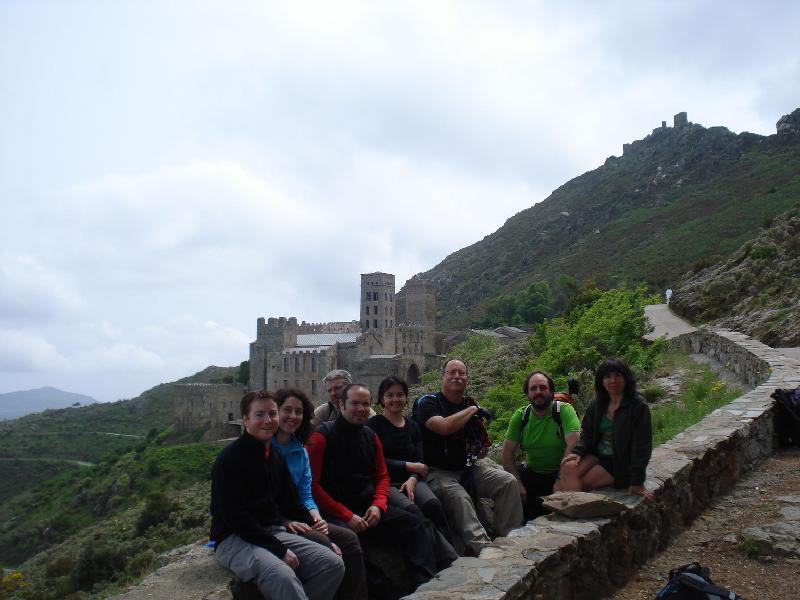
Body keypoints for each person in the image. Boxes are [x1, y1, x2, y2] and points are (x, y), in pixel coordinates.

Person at [306, 383, 443, 597]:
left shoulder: (370, 436)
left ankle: (425, 587)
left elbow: (381, 477)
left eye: (365, 404)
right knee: (363, 561)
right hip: (336, 512)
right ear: (341, 405)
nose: (361, 409)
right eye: (355, 404)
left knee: (417, 525)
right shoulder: (321, 437)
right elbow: (312, 486)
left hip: (368, 507)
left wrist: (378, 506)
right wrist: (346, 515)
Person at [210, 390, 344, 600]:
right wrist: (279, 550)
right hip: (234, 538)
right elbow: (236, 518)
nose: (268, 420)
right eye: (259, 415)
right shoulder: (230, 460)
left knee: (331, 564)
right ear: (246, 419)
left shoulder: (274, 457)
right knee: (282, 575)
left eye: (272, 414)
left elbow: (291, 503)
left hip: (271, 532)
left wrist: (323, 538)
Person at [415, 358, 523, 555]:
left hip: (467, 467)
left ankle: (509, 537)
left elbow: (479, 443)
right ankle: (484, 549)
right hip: (437, 471)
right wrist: (473, 410)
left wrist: (479, 447)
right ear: (443, 376)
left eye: (461, 373)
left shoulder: (467, 404)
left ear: (467, 379)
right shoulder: (428, 403)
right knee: (459, 497)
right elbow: (444, 427)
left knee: (507, 481)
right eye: (452, 372)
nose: (457, 376)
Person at [272, 388, 367, 600]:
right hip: (279, 521)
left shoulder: (299, 449)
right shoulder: (267, 449)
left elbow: (306, 493)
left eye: (298, 412)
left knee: (349, 540)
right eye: (287, 410)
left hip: (301, 516)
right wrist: (287, 520)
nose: (293, 416)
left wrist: (316, 516)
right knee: (329, 545)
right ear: (275, 411)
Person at [367, 376, 454, 544]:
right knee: (414, 511)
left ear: (406, 397)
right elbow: (374, 461)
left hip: (412, 480)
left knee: (433, 506)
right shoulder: (373, 425)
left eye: (399, 394)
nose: (395, 399)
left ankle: (451, 551)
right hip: (387, 482)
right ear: (382, 399)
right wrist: (408, 466)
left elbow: (421, 461)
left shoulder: (413, 426)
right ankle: (440, 555)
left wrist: (413, 479)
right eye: (390, 395)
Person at [559, 357, 654, 499]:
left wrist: (637, 481)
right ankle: (571, 506)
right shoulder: (597, 404)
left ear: (626, 378)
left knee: (583, 482)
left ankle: (574, 510)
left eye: (618, 375)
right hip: (597, 455)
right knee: (567, 466)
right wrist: (578, 452)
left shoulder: (638, 406)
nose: (613, 380)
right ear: (601, 381)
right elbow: (588, 433)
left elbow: (642, 445)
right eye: (607, 376)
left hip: (620, 462)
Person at [501, 370, 580, 520]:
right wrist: (517, 483)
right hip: (533, 475)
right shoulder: (521, 416)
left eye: (543, 387)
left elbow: (574, 444)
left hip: (560, 473)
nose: (538, 392)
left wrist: (560, 480)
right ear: (527, 393)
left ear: (551, 390)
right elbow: (506, 452)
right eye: (533, 388)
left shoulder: (564, 410)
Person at [310, 369, 375, 430]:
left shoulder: (366, 413)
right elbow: (306, 429)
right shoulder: (325, 411)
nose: (333, 393)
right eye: (329, 390)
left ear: (349, 388)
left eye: (337, 388)